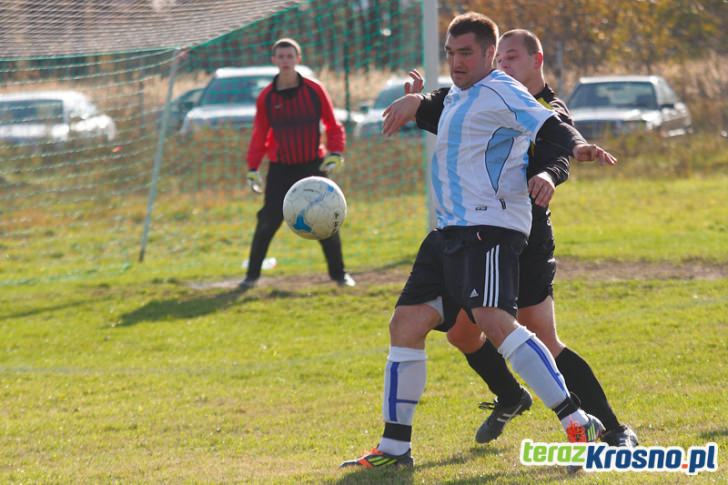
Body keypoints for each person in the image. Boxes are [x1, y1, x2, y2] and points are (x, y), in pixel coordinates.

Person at [340, 12, 617, 470]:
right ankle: (394, 450)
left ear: (490, 54)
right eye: (450, 53)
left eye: (466, 52)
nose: (456, 61)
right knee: (405, 324)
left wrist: (578, 146)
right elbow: (448, 112)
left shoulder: (502, 89)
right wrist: (415, 104)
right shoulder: (460, 94)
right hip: (448, 233)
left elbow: (550, 126)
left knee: (494, 322)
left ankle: (576, 420)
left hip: (488, 229)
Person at [400, 29, 638, 448]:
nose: (504, 65)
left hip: (522, 237)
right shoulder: (480, 92)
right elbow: (442, 105)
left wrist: (548, 174)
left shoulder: (546, 106)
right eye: (501, 58)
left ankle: (613, 429)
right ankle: (511, 396)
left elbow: (560, 149)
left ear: (536, 60)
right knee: (461, 334)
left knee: (540, 336)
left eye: (512, 58)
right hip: (469, 232)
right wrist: (416, 100)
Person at [239, 38, 355, 290]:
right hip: (281, 168)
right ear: (274, 61)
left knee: (328, 220)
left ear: (298, 59)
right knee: (268, 221)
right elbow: (260, 135)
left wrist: (335, 152)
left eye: (290, 56)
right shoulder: (267, 97)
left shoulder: (314, 90)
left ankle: (340, 275)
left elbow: (333, 125)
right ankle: (251, 277)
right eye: (281, 57)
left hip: (313, 167)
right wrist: (252, 167)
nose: (285, 61)